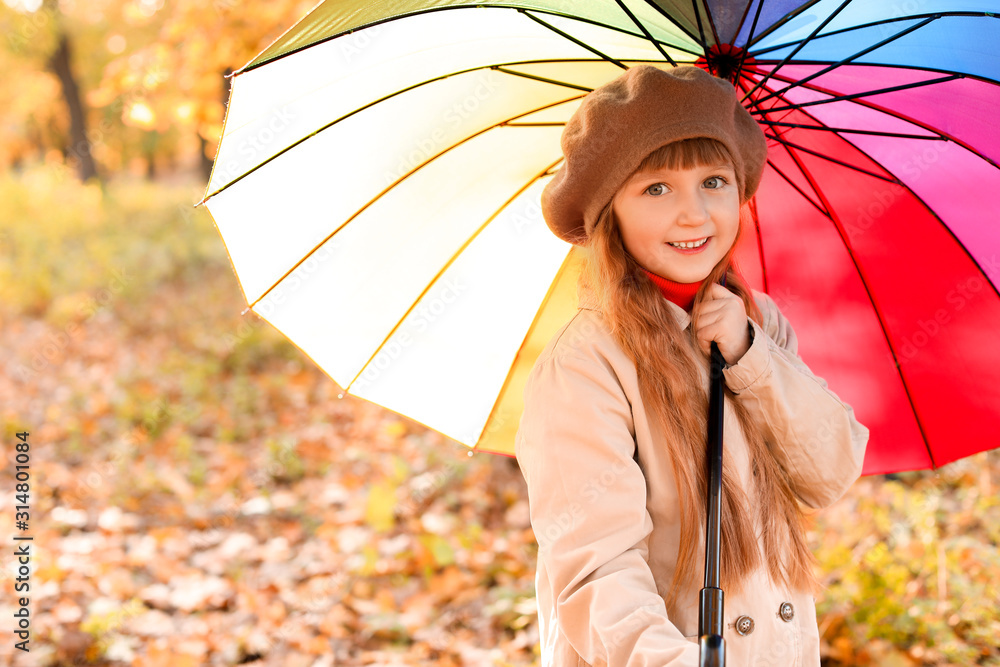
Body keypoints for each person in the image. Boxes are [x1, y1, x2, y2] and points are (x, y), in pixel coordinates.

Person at [514, 65, 870, 666]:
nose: (694, 214)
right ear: (611, 214)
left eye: (714, 181)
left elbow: (829, 471)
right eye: (656, 188)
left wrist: (751, 358)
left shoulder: (759, 326)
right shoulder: (586, 366)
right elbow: (595, 567)